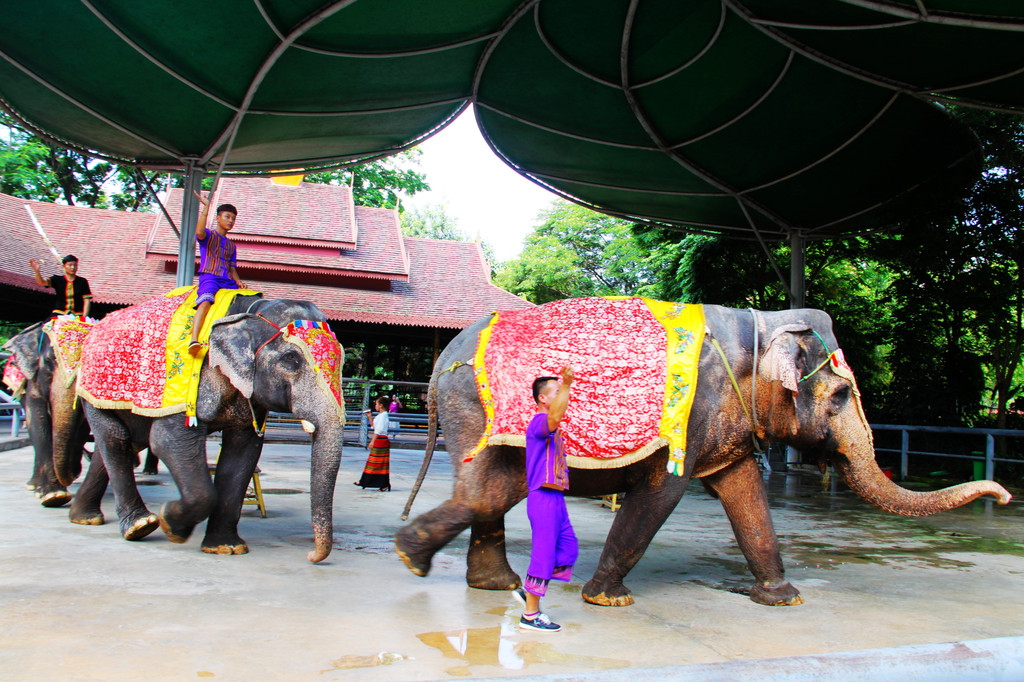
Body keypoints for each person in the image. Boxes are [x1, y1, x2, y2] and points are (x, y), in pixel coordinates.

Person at [512, 366, 578, 633]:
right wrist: (568, 384)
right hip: (543, 498)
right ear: (542, 398)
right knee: (544, 554)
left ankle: (530, 591)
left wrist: (564, 387)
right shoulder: (539, 421)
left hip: (555, 498)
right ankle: (530, 615)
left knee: (568, 549)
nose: (563, 395)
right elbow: (556, 414)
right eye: (556, 391)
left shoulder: (549, 424)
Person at [188, 192, 245, 356]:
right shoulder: (208, 235)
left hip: (227, 280)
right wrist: (205, 208)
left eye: (233, 218)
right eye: (227, 217)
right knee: (205, 301)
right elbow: (199, 232)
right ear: (218, 218)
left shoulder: (231, 246)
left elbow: (232, 267)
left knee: (245, 300)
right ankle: (194, 339)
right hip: (210, 276)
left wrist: (239, 282)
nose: (230, 221)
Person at [355, 396, 391, 491]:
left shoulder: (383, 416)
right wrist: (370, 417)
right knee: (374, 463)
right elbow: (374, 427)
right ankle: (366, 481)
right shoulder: (381, 415)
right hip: (379, 440)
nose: (376, 406)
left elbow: (378, 431)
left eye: (376, 404)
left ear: (381, 405)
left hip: (381, 440)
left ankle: (381, 483)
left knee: (377, 463)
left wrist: (372, 441)